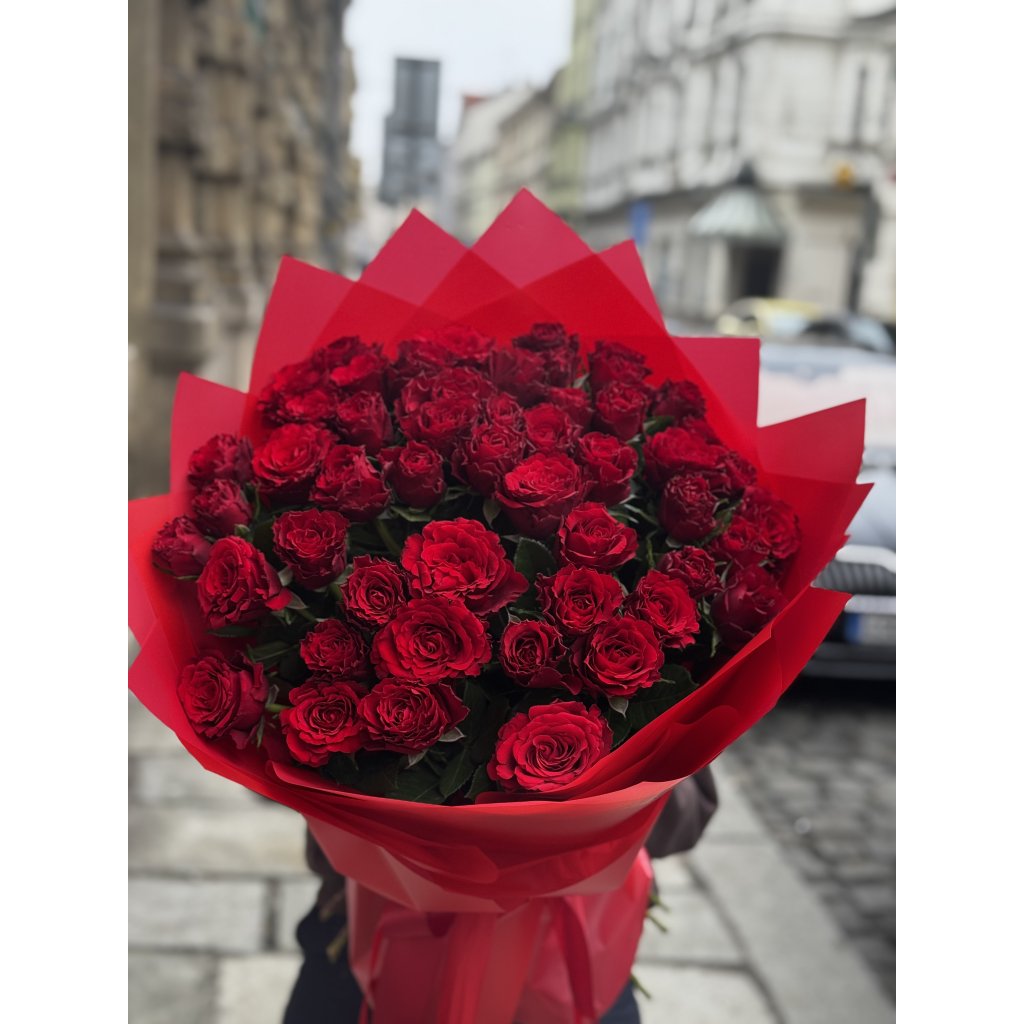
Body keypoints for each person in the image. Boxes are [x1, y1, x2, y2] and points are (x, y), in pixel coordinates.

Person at [283, 767, 718, 1024]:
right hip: (370, 922)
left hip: (570, 951)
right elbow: (286, 760)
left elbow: (690, 813)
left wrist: (618, 790)